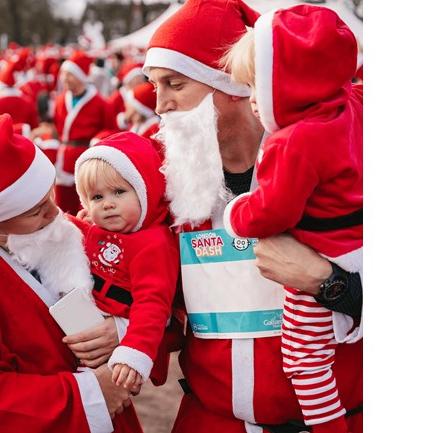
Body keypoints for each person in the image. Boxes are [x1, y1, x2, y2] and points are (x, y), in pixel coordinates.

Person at [137, 0, 364, 431]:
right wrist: (118, 323)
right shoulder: (158, 173)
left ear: (235, 86)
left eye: (175, 84)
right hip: (210, 420)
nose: (160, 105)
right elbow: (151, 288)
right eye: (154, 86)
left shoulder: (347, 155)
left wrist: (334, 285)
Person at [0, 114, 142, 433]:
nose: (55, 212)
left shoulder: (62, 228)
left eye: (49, 195)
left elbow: (157, 303)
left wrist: (121, 332)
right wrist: (91, 394)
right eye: (36, 210)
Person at [219, 6, 362, 432]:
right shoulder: (352, 106)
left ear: (290, 84)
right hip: (357, 243)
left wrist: (235, 214)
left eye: (258, 86)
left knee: (304, 357)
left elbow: (269, 213)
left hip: (323, 251)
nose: (252, 99)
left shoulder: (293, 143)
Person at [72, 132, 180, 389]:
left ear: (146, 191)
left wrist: (134, 352)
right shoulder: (99, 228)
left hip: (121, 340)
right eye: (96, 197)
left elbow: (152, 303)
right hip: (83, 324)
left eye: (119, 192)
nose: (107, 204)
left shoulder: (155, 243)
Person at [45, 50, 117, 215]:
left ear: (81, 76)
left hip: (86, 161)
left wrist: (98, 141)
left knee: (84, 208)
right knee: (61, 209)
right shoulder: (60, 100)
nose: (64, 78)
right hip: (62, 161)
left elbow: (112, 132)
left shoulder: (101, 103)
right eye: (64, 73)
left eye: (69, 74)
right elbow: (56, 129)